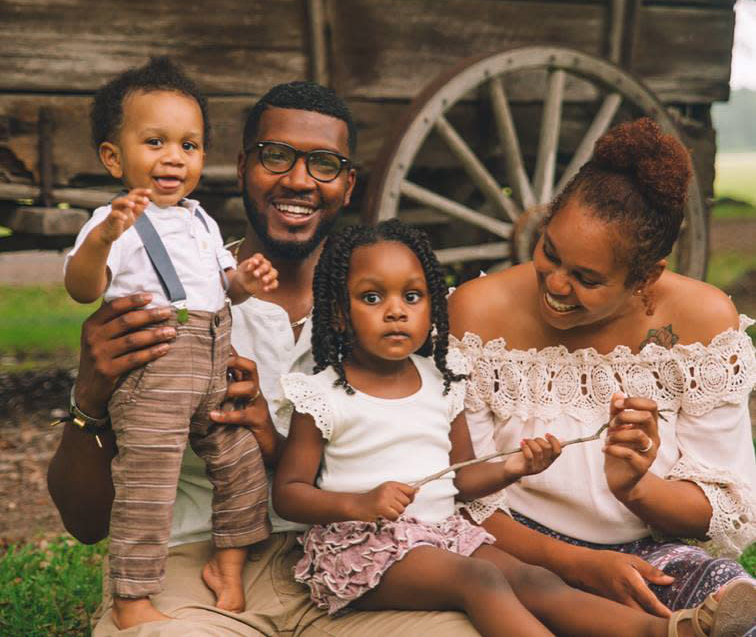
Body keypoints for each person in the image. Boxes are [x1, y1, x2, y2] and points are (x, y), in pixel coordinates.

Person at [48, 81, 479, 635]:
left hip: (361, 567)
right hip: (194, 570)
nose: (298, 180)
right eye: (276, 157)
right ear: (240, 164)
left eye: (324, 164)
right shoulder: (167, 295)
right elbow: (84, 525)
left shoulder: (392, 322)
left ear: (348, 186)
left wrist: (272, 440)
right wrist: (89, 399)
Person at [273, 218, 751, 637]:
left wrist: (515, 467)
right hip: (367, 550)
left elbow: (461, 480)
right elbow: (289, 492)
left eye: (412, 297)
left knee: (534, 579)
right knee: (479, 581)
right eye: (372, 297)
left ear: (432, 307)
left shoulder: (444, 384)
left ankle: (667, 630)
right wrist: (359, 502)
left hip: (443, 537)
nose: (396, 311)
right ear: (339, 311)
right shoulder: (324, 395)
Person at [448, 118, 756, 636]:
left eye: (587, 278)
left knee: (730, 602)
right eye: (549, 251)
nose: (555, 283)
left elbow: (718, 510)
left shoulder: (702, 323)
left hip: (649, 556)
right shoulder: (478, 312)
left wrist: (636, 486)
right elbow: (464, 493)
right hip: (514, 550)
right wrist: (576, 562)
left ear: (646, 277)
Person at [62, 57, 279, 628]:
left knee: (239, 464)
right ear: (114, 157)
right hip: (156, 371)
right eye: (155, 141)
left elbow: (219, 286)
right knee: (147, 484)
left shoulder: (202, 221)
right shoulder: (115, 221)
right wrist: (104, 238)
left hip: (210, 363)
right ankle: (132, 596)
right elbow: (83, 288)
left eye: (189, 145)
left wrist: (245, 283)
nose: (173, 158)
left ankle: (228, 567)